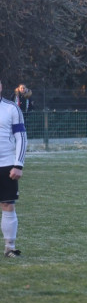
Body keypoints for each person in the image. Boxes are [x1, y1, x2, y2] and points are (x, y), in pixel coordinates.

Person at [0, 80, 28, 258]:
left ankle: (10, 247)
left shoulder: (11, 109)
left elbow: (21, 138)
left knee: (7, 204)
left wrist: (18, 164)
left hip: (7, 164)